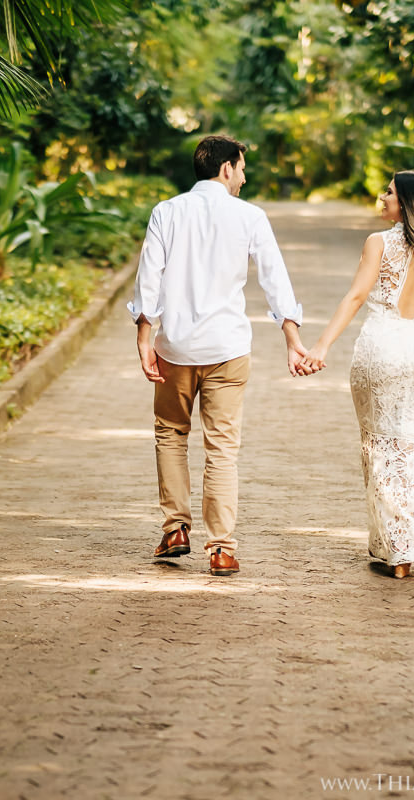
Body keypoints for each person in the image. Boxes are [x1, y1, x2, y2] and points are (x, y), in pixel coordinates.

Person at [128, 134, 306, 577]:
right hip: (228, 349)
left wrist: (145, 337)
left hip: (176, 348)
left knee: (171, 433)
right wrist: (291, 335)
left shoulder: (166, 212)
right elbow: (274, 278)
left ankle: (175, 529)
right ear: (225, 168)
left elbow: (149, 277)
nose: (244, 178)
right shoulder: (249, 216)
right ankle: (221, 548)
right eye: (242, 168)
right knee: (222, 447)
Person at [297, 170, 414, 577]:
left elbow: (358, 295)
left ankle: (394, 545)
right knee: (410, 450)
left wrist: (322, 345)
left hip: (380, 346)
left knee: (379, 448)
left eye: (390, 193)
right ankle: (402, 547)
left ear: (409, 203)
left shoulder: (378, 243)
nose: (382, 197)